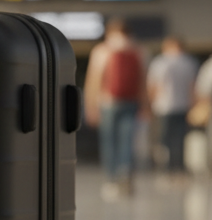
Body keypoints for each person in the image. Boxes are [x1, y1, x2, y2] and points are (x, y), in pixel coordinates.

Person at [83, 20, 147, 201]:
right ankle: (125, 176)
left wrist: (91, 106)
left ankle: (111, 180)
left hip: (108, 103)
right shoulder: (138, 50)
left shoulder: (102, 50)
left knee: (109, 142)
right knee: (127, 142)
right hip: (131, 102)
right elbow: (143, 81)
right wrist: (145, 105)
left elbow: (94, 80)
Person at [147, 37, 198, 176]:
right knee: (180, 139)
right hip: (183, 106)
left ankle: (167, 168)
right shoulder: (189, 62)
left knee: (165, 138)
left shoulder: (159, 62)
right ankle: (179, 167)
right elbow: (193, 87)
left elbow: (153, 87)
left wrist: (148, 105)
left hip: (163, 107)